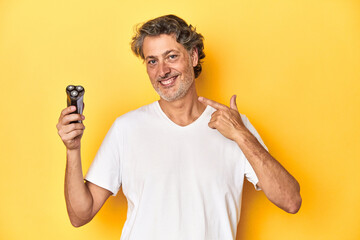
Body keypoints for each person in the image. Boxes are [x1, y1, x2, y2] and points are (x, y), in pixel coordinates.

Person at [56, 15, 301, 240]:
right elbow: (81, 214)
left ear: (193, 57)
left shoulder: (235, 125)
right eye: (152, 61)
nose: (162, 71)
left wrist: (241, 136)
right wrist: (72, 149)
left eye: (171, 56)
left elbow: (291, 201)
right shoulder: (126, 128)